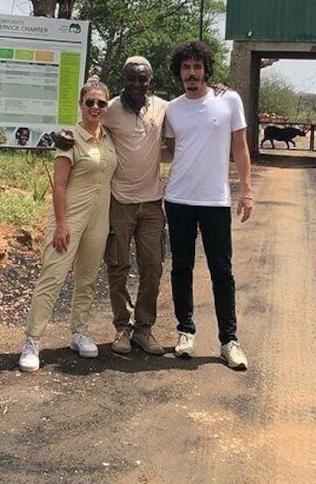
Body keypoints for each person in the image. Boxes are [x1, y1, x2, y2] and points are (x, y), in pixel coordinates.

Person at [56, 57, 168, 355]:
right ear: (124, 80)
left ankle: (144, 329)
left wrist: (218, 90)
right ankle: (122, 328)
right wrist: (62, 134)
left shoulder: (162, 108)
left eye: (142, 79)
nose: (137, 84)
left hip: (152, 202)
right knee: (117, 267)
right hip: (119, 202)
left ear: (150, 81)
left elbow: (194, 108)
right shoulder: (111, 109)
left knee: (153, 268)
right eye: (131, 78)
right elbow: (84, 122)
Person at [163, 41, 253, 371]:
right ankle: (185, 331)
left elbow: (241, 150)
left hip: (215, 200)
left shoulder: (228, 100)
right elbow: (171, 151)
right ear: (178, 74)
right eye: (186, 68)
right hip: (178, 199)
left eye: (197, 67)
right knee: (181, 268)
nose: (192, 74)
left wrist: (247, 191)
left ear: (206, 71)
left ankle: (229, 341)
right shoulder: (172, 109)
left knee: (222, 271)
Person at [18, 79, 117, 372]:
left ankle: (79, 332)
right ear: (81, 104)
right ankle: (32, 341)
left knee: (87, 278)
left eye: (101, 103)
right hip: (69, 218)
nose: (96, 108)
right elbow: (59, 186)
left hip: (99, 219)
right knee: (53, 277)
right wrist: (61, 224)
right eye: (90, 102)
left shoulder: (109, 137)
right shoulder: (70, 138)